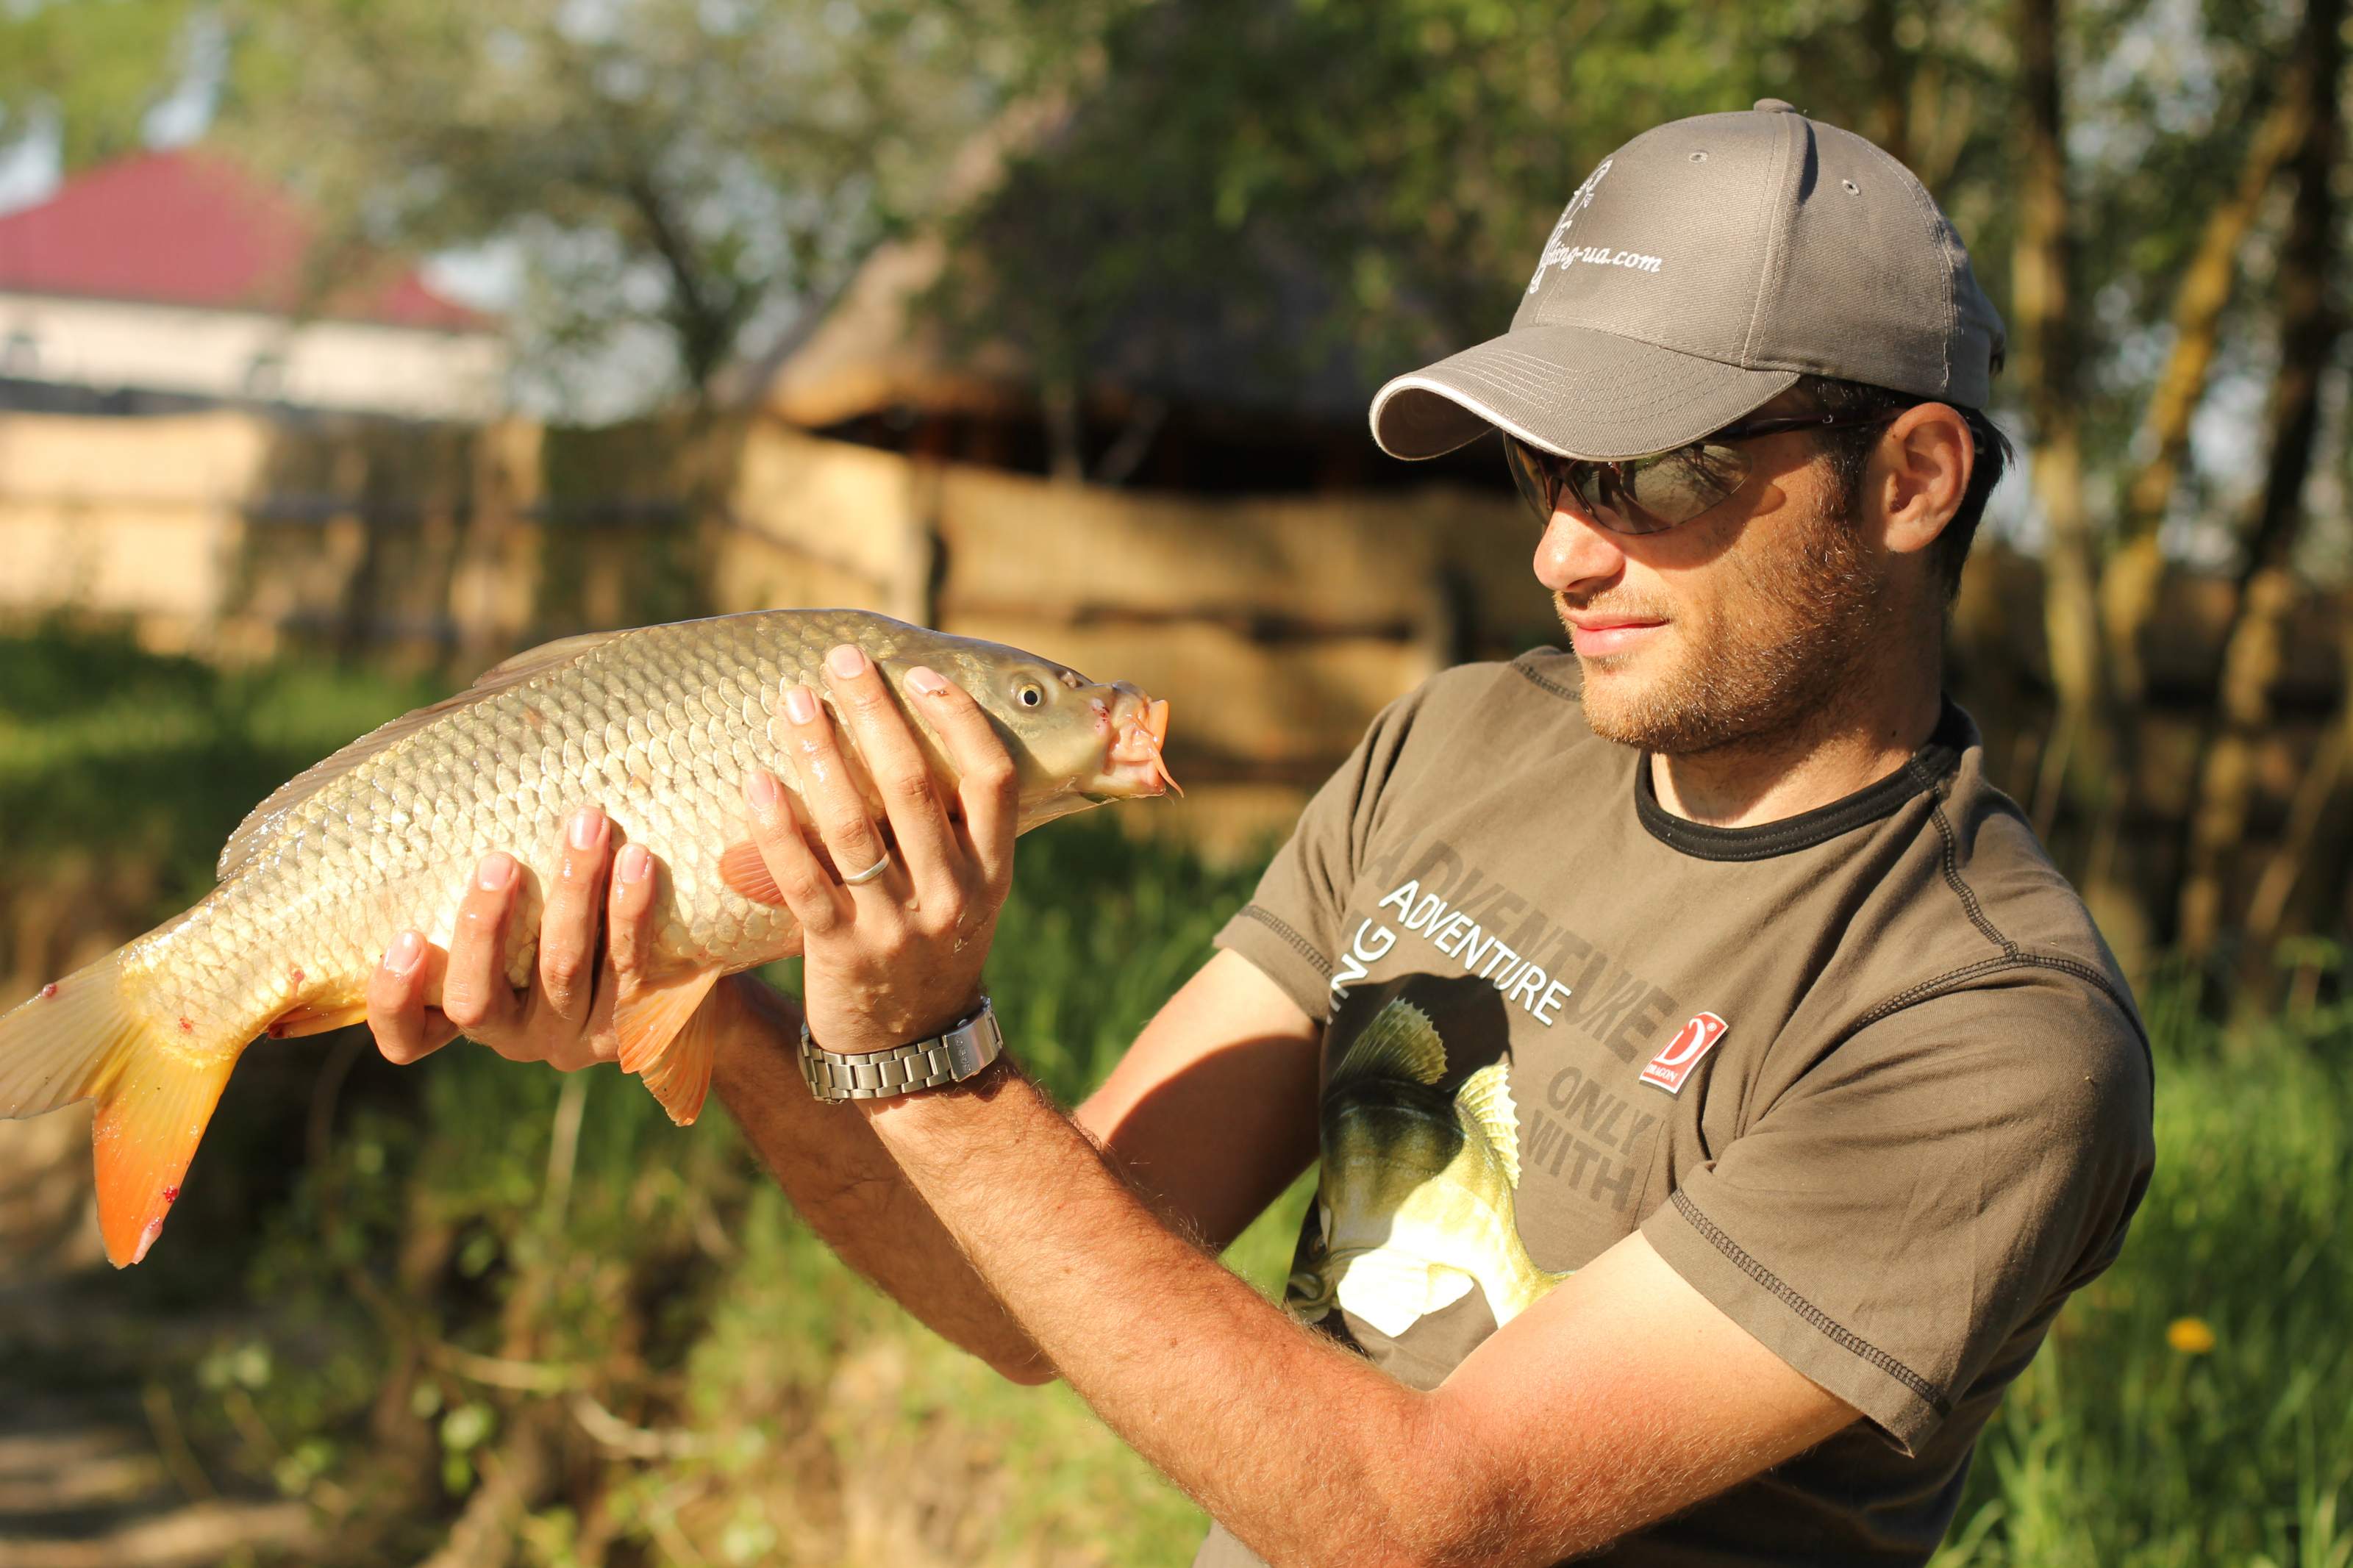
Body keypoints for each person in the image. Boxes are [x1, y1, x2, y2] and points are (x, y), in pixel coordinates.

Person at [365, 101, 2154, 1567]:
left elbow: (1426, 1517)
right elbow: (1020, 1296)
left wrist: (933, 1060)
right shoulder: (1459, 745)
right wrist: (721, 1007)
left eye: (1657, 471)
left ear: (1912, 478)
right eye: (1542, 468)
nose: (1561, 548)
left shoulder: (1984, 1030)